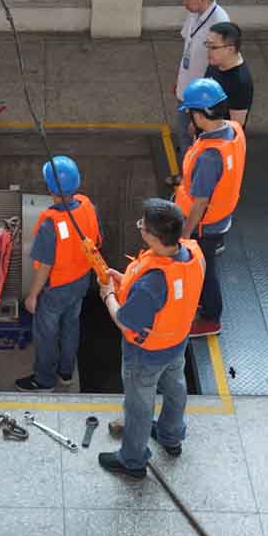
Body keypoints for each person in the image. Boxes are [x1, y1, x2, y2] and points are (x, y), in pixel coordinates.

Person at [98, 198, 205, 480]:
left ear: (153, 237)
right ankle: (171, 436)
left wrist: (108, 294)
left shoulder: (152, 283)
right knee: (175, 389)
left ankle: (132, 460)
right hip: (177, 343)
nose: (141, 229)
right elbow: (167, 299)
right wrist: (124, 280)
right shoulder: (193, 255)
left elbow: (124, 320)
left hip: (146, 355)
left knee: (139, 406)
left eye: (142, 226)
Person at [16, 156, 101, 392]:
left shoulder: (49, 225)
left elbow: (45, 265)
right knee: (71, 325)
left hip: (56, 289)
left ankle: (44, 380)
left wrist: (33, 295)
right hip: (81, 281)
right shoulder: (88, 207)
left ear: (50, 189)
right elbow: (96, 240)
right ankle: (65, 372)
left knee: (46, 333)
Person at [175, 78, 246, 337]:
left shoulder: (208, 158)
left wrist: (186, 234)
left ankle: (210, 318)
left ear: (200, 115)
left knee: (204, 271)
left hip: (204, 226)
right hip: (222, 215)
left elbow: (200, 202)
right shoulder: (234, 130)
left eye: (191, 113)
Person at [173, 0, 230, 148]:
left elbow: (219, 70)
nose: (184, 3)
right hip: (186, 89)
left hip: (200, 100)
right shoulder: (193, 13)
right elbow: (188, 48)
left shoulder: (219, 23)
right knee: (183, 136)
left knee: (192, 143)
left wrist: (199, 116)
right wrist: (179, 80)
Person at [204, 22, 253, 127]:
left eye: (213, 47)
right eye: (207, 45)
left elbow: (236, 124)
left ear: (230, 49)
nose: (208, 51)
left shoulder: (240, 82)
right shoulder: (215, 62)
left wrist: (205, 125)